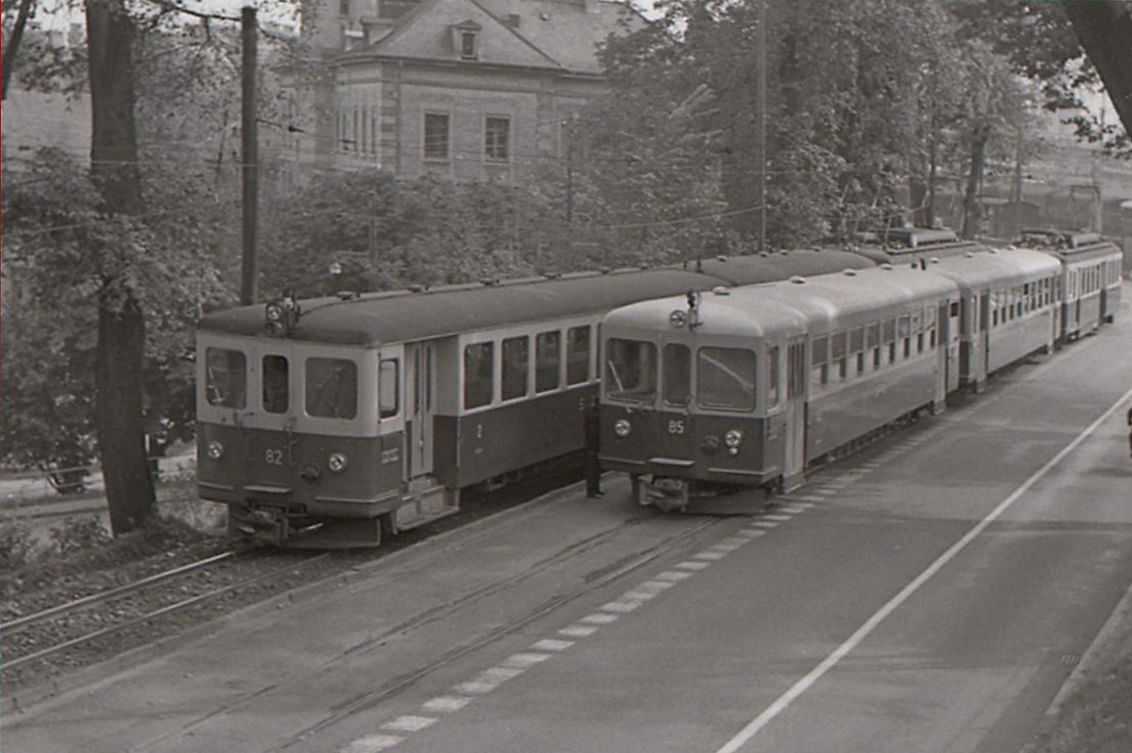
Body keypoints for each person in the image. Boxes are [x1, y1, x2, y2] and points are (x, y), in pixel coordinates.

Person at [584, 395, 603, 498]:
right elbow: (592, 432)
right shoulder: (594, 415)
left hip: (592, 444)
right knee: (593, 469)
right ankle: (592, 491)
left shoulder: (591, 413)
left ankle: (595, 489)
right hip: (593, 445)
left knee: (595, 469)